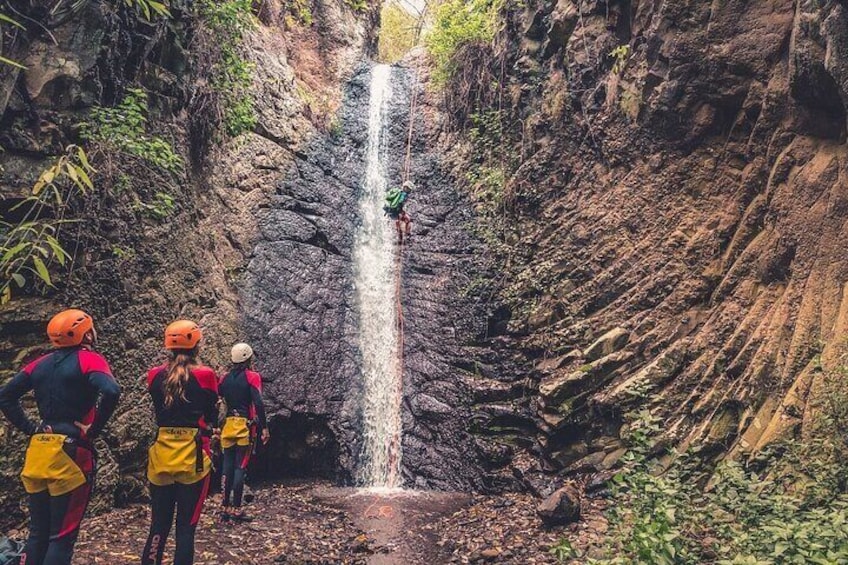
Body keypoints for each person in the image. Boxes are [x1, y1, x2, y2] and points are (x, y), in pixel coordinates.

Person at [0, 309, 121, 565]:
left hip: (40, 449)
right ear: (86, 333)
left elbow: (6, 395)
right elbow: (111, 390)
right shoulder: (89, 359)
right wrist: (94, 429)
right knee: (61, 537)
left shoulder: (40, 364)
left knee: (37, 534)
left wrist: (31, 427)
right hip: (71, 451)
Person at [141, 320, 218, 565]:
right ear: (197, 344)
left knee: (158, 526)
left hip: (162, 454)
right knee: (186, 528)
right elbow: (212, 412)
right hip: (193, 457)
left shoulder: (154, 375)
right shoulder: (206, 375)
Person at [218, 342, 269, 523]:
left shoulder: (224, 378)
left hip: (228, 425)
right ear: (248, 358)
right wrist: (264, 427)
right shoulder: (252, 377)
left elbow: (218, 397)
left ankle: (224, 507)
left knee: (227, 465)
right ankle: (237, 509)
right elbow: (258, 403)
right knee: (240, 466)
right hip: (244, 427)